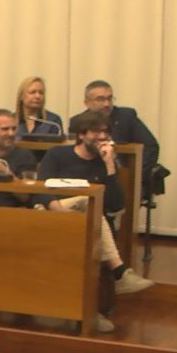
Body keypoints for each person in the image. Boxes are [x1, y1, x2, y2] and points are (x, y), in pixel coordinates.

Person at [36, 110, 155, 314]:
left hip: (87, 221)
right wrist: (60, 211)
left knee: (91, 211)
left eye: (105, 132)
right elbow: (41, 189)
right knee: (88, 200)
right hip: (54, 213)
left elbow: (116, 205)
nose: (102, 137)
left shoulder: (105, 163)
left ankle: (91, 312)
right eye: (96, 132)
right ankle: (119, 272)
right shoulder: (57, 154)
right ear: (81, 135)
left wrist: (109, 165)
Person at [71, 80, 159, 167]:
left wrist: (137, 172)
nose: (107, 104)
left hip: (124, 170)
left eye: (109, 98)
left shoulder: (126, 117)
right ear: (87, 103)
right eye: (100, 99)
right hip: (88, 170)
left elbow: (150, 147)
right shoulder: (77, 121)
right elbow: (73, 152)